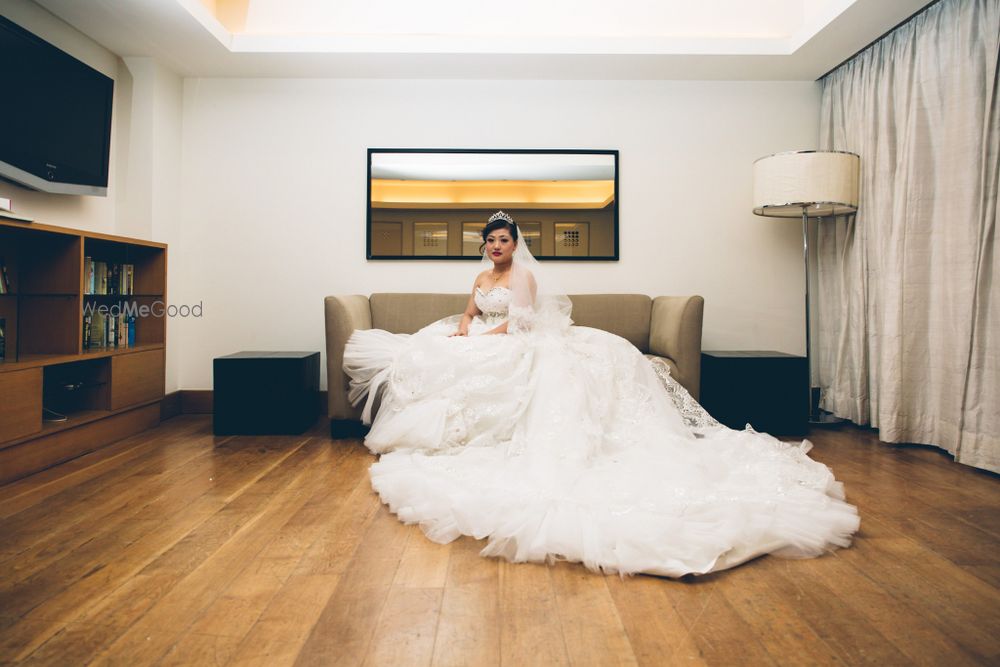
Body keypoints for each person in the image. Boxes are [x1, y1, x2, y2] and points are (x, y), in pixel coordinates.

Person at [343, 211, 859, 577]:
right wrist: (462, 329)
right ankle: (448, 432)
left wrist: (480, 340)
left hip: (512, 338)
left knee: (481, 362)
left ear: (514, 244)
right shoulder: (481, 275)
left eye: (504, 240)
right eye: (491, 241)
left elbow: (518, 323)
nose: (497, 247)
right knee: (428, 352)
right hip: (483, 333)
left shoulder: (521, 275)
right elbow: (472, 311)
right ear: (484, 245)